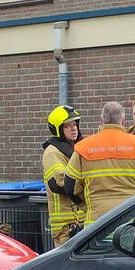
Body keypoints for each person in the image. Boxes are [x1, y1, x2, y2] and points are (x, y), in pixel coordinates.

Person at [65, 101, 135, 224]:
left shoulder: (83, 148)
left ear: (101, 121)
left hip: (96, 224)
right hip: (132, 221)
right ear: (123, 121)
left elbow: (70, 185)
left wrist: (86, 206)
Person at [42, 105, 85, 247]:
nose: (73, 128)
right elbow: (58, 183)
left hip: (80, 220)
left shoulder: (78, 147)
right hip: (66, 226)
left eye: (75, 124)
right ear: (58, 129)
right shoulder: (52, 152)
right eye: (67, 126)